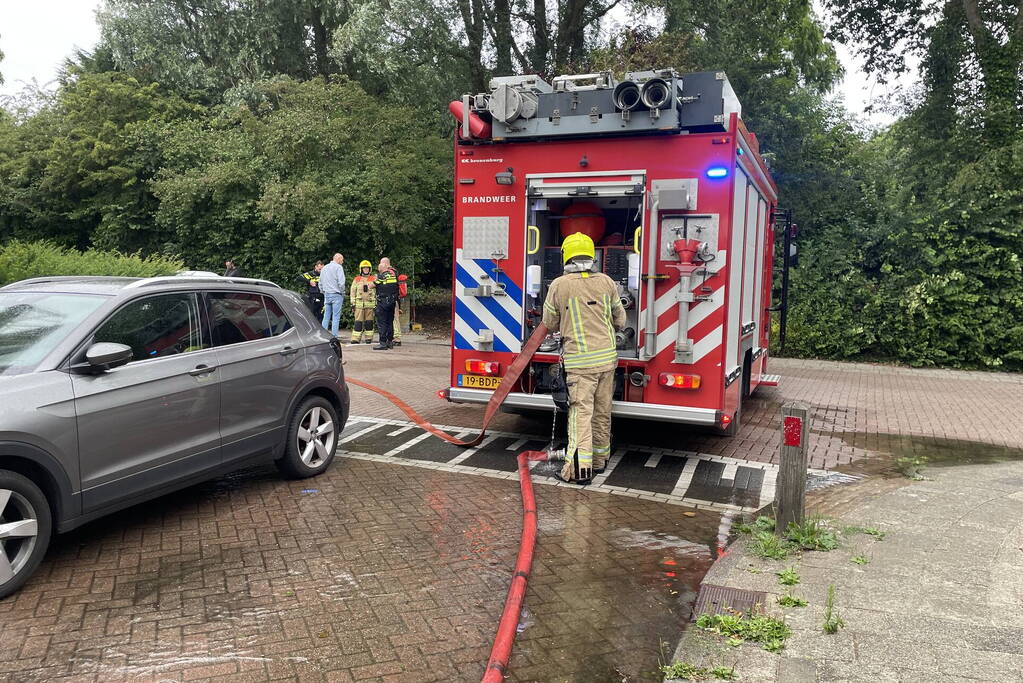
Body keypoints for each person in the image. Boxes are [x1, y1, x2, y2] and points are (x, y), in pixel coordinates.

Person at [541, 232, 626, 484]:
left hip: (581, 363)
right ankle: (599, 462)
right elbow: (620, 320)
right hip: (607, 360)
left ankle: (579, 471)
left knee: (581, 414)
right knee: (602, 412)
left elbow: (549, 322)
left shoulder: (559, 285)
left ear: (566, 255)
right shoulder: (607, 282)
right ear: (591, 254)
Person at [372, 257, 399, 350]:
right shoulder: (393, 274)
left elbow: (372, 285)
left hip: (382, 302)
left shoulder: (382, 276)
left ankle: (382, 343)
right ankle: (390, 342)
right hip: (391, 302)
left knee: (382, 323)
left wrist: (374, 281)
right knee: (390, 322)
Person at [349, 260, 376, 344]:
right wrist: (353, 303)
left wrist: (376, 304)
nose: (366, 269)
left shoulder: (374, 279)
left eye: (367, 268)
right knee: (358, 323)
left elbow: (377, 292)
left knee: (369, 323)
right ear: (361, 269)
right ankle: (356, 339)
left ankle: (369, 338)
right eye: (364, 268)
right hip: (359, 305)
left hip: (370, 305)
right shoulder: (357, 279)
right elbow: (352, 292)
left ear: (370, 269)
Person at [319, 253, 346, 337]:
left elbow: (320, 283)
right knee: (336, 317)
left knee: (326, 316)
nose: (342, 262)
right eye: (342, 260)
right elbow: (341, 283)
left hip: (327, 294)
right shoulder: (338, 267)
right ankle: (334, 336)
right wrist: (342, 292)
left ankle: (323, 335)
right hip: (337, 295)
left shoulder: (324, 268)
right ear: (338, 259)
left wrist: (323, 292)